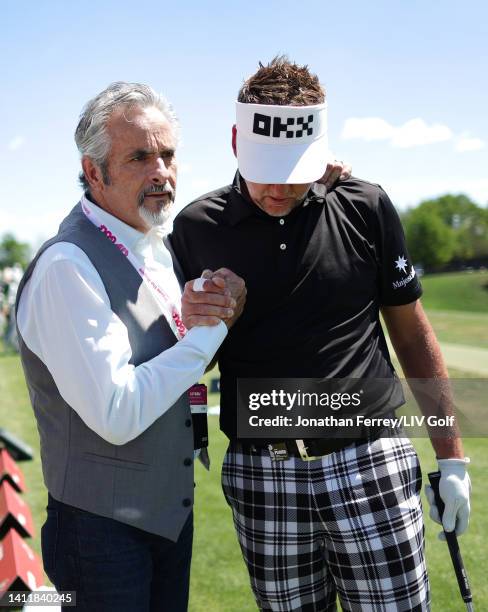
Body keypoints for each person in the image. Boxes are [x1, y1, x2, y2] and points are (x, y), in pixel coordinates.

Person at [171, 57, 471, 611]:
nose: (278, 190)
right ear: (236, 140)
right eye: (266, 169)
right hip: (263, 472)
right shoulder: (194, 227)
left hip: (370, 460)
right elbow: (190, 362)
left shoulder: (365, 205)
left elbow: (410, 334)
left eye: (295, 169)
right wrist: (198, 320)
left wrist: (451, 458)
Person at [15, 82, 246, 612]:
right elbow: (117, 412)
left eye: (167, 154)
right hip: (98, 536)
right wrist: (214, 329)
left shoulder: (156, 246)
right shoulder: (66, 266)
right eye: (140, 156)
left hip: (165, 519)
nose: (161, 170)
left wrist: (315, 175)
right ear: (94, 172)